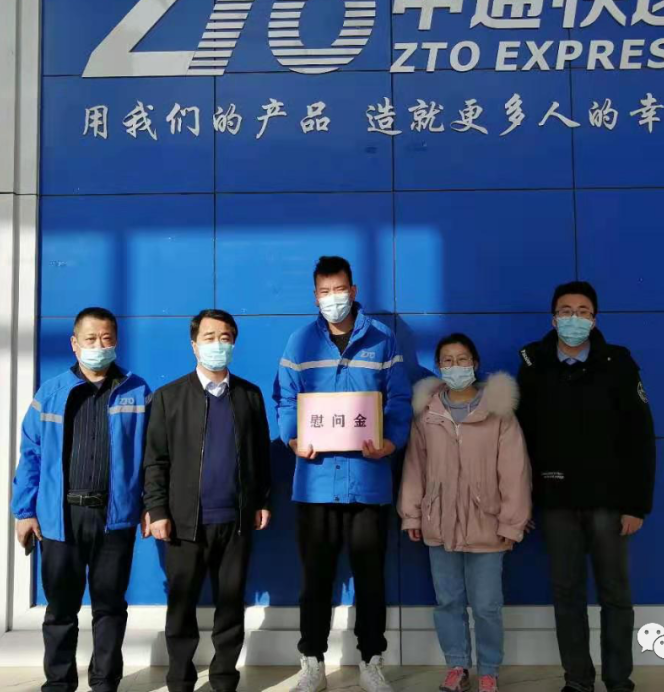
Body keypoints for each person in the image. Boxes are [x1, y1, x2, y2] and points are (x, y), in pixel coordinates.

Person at [275, 256, 412, 692]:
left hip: (368, 481)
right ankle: (312, 661)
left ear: (353, 291)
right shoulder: (300, 342)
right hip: (315, 483)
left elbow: (399, 399)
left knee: (371, 579)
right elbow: (285, 399)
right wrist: (293, 438)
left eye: (340, 290)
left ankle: (371, 660)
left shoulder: (382, 339)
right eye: (325, 291)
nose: (333, 298)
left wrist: (391, 441)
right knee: (315, 579)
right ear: (315, 296)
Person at [516, 281, 656, 692]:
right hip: (556, 501)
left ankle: (618, 680)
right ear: (553, 318)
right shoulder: (533, 362)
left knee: (615, 594)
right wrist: (523, 502)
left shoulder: (618, 362)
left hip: (609, 502)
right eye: (565, 310)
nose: (573, 318)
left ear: (594, 319)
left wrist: (637, 505)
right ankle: (577, 680)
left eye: (582, 311)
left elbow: (640, 437)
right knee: (567, 595)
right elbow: (520, 439)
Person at [11, 307, 151, 692]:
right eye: (90, 339)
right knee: (60, 609)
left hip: (114, 517)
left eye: (106, 338)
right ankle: (58, 683)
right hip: (60, 518)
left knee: (110, 607)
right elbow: (31, 454)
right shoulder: (51, 393)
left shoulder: (137, 391)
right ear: (75, 344)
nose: (98, 346)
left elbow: (153, 456)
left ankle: (105, 683)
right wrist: (24, 511)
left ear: (116, 341)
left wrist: (151, 505)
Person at [141, 309, 273, 692]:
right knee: (181, 607)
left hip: (235, 521)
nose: (218, 344)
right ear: (194, 345)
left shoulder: (249, 395)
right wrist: (157, 510)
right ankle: (180, 680)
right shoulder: (169, 397)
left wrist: (262, 500)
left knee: (231, 607)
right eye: (210, 337)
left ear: (234, 343)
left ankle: (224, 679)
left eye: (225, 337)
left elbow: (260, 456)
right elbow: (155, 460)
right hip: (184, 523)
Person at [399, 333, 532, 692]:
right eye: (447, 360)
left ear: (475, 363)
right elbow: (415, 467)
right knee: (448, 601)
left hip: (487, 523)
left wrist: (512, 522)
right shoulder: (427, 414)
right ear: (439, 366)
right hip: (439, 523)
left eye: (462, 360)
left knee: (487, 604)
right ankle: (457, 666)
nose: (455, 366)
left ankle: (488, 670)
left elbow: (515, 471)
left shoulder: (498, 412)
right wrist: (412, 514)